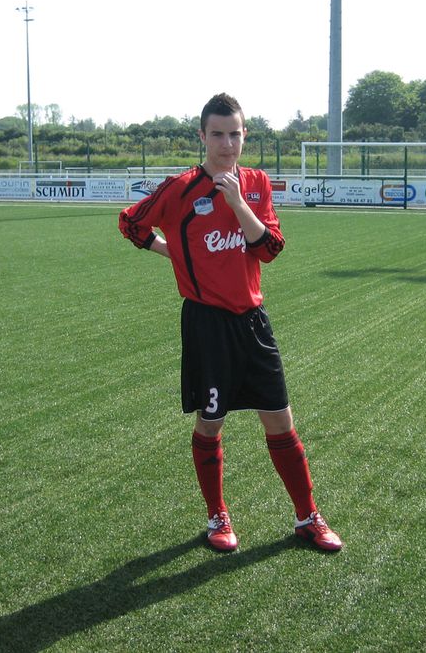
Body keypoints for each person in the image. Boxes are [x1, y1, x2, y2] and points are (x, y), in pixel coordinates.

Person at [119, 92, 342, 552]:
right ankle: (217, 517)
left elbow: (271, 249)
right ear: (202, 136)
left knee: (281, 422)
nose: (227, 143)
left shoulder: (257, 184)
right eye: (217, 134)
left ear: (244, 136)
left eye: (234, 134)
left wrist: (240, 204)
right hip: (207, 325)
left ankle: (308, 517)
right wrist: (173, 255)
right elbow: (132, 225)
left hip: (253, 322)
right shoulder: (179, 188)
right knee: (211, 422)